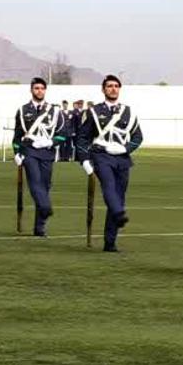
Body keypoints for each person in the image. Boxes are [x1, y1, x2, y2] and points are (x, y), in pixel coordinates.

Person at [76, 74, 143, 253]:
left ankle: (110, 242)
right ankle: (119, 214)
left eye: (116, 86)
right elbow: (82, 138)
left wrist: (126, 149)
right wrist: (84, 160)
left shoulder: (128, 112)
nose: (113, 89)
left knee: (119, 197)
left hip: (121, 158)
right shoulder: (93, 112)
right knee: (108, 186)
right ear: (103, 89)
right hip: (101, 155)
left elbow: (138, 137)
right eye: (109, 86)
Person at [12, 77, 64, 237]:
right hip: (29, 151)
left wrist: (50, 142)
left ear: (45, 90)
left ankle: (39, 227)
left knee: (45, 186)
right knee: (35, 181)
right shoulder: (22, 110)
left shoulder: (55, 111)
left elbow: (63, 135)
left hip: (47, 152)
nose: (39, 91)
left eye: (42, 88)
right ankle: (46, 207)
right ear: (31, 90)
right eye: (36, 88)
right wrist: (17, 153)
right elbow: (17, 135)